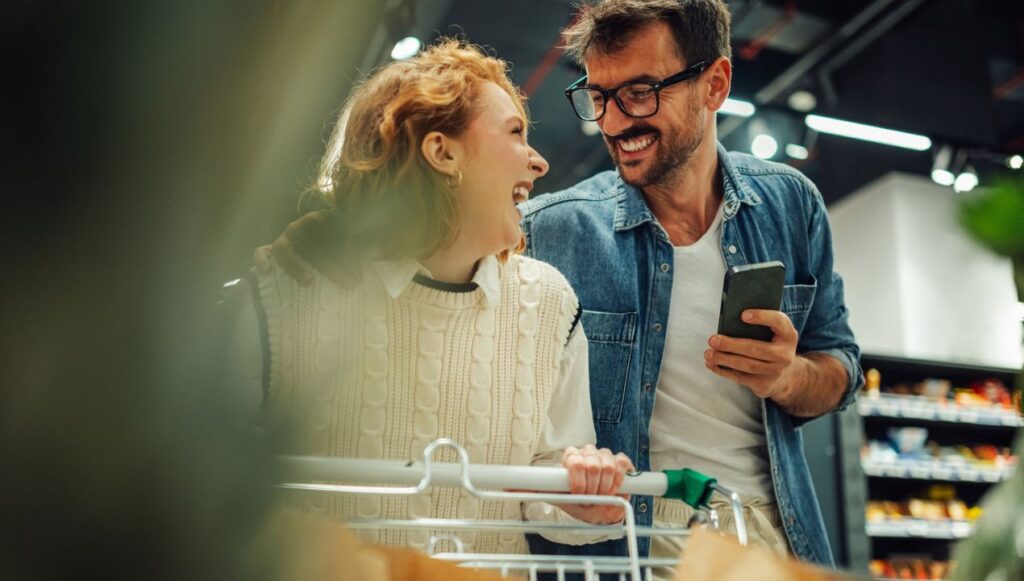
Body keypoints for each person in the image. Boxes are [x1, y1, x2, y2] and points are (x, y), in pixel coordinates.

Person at [265, 0, 863, 573]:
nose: (613, 120)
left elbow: (840, 367)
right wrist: (337, 230)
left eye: (639, 92)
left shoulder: (789, 205)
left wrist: (787, 377)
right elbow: (438, 227)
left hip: (770, 529)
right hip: (635, 541)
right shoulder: (552, 228)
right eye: (597, 96)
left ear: (714, 84)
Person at [228, 39, 636, 557]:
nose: (538, 163)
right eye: (515, 133)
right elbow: (203, 477)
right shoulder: (288, 289)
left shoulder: (549, 304)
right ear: (443, 152)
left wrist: (584, 499)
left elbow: (546, 497)